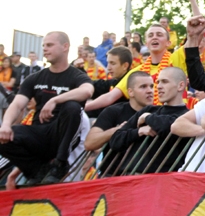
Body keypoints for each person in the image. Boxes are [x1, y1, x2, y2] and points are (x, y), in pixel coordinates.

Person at [0, 32, 94, 184]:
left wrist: (55, 100)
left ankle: (60, 164)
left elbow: (87, 91)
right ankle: (37, 171)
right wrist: (5, 125)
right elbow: (17, 104)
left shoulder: (76, 76)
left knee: (72, 107)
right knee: (3, 135)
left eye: (49, 45)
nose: (44, 49)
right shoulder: (35, 77)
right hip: (39, 134)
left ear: (65, 47)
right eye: (43, 45)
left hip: (62, 135)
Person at [108, 67, 189, 174]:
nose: (158, 86)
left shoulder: (188, 116)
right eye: (158, 82)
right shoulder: (149, 110)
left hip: (163, 179)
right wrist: (138, 132)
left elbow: (169, 125)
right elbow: (115, 141)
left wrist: (147, 118)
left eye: (164, 82)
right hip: (131, 177)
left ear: (181, 86)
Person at [86, 24, 174, 112]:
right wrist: (82, 108)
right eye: (150, 35)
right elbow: (110, 96)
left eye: (159, 35)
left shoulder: (176, 63)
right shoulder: (138, 71)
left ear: (168, 43)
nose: (154, 37)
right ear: (146, 43)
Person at [84, 70, 154, 153]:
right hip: (115, 161)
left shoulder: (158, 113)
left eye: (151, 86)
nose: (150, 91)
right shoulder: (113, 111)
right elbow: (89, 143)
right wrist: (119, 130)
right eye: (143, 87)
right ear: (130, 92)